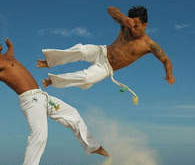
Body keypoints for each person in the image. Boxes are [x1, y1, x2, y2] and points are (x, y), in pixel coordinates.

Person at [0, 32, 109, 165]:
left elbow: (10, 55)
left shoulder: (7, 57)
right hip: (31, 101)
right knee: (39, 137)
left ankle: (92, 146)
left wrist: (11, 47)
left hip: (42, 96)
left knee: (72, 113)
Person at [37, 6, 175, 104]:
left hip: (106, 68)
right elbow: (110, 9)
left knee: (87, 79)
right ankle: (48, 62)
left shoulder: (149, 45)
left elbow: (165, 59)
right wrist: (124, 18)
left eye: (136, 26)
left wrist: (169, 74)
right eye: (132, 25)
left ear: (145, 25)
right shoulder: (126, 25)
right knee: (81, 51)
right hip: (101, 52)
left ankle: (52, 81)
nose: (133, 29)